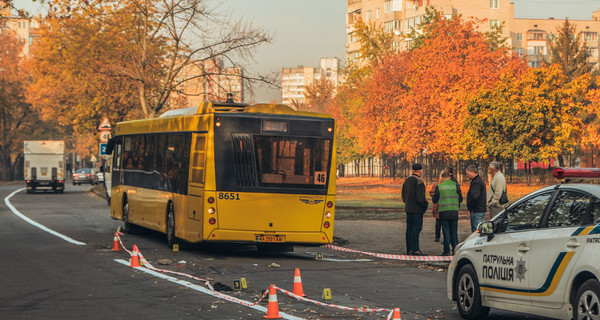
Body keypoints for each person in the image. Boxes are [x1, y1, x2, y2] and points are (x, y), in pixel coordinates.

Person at [432, 172, 463, 256]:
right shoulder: (456, 185)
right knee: (454, 232)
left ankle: (446, 251)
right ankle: (455, 250)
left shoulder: (440, 186)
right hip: (454, 211)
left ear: (442, 178)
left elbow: (434, 199)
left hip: (443, 211)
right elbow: (460, 198)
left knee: (446, 232)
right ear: (449, 177)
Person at [402, 163, 429, 256]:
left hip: (408, 208)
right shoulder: (419, 182)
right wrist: (425, 205)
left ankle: (409, 249)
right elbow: (420, 198)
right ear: (420, 170)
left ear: (412, 170)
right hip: (417, 210)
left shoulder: (407, 181)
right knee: (416, 229)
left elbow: (403, 196)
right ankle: (415, 249)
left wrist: (408, 203)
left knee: (409, 229)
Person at [429, 167, 456, 242]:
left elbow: (434, 197)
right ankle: (447, 239)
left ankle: (444, 239)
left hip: (442, 207)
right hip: (449, 207)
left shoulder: (438, 185)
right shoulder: (454, 184)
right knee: (445, 224)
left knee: (441, 223)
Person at [466, 165, 487, 232]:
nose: (467, 176)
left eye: (467, 173)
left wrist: (471, 208)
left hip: (477, 210)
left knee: (477, 230)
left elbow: (475, 197)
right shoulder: (478, 180)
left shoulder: (476, 182)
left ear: (472, 172)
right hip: (479, 209)